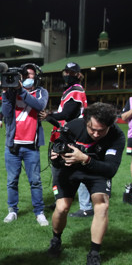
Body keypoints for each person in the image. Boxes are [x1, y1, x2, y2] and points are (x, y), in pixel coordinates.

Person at [46, 102, 125, 265]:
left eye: (101, 130)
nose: (96, 134)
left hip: (96, 170)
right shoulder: (73, 125)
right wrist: (55, 155)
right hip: (69, 169)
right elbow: (57, 154)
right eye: (92, 129)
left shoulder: (117, 136)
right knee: (62, 208)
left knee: (102, 206)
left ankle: (94, 254)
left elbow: (110, 170)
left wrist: (85, 159)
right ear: (86, 121)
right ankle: (56, 240)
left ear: (110, 126)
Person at [41, 62, 92, 218]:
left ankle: (86, 206)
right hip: (65, 134)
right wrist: (51, 119)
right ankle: (60, 200)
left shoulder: (76, 90)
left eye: (71, 72)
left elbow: (68, 114)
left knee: (77, 169)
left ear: (77, 74)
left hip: (74, 135)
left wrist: (49, 116)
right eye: (65, 72)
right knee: (59, 169)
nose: (67, 75)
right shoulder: (70, 90)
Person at [1, 63, 49, 226]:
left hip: (31, 146)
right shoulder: (12, 92)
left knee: (35, 181)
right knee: (12, 181)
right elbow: (6, 113)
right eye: (25, 74)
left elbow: (39, 106)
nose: (28, 77)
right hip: (13, 145)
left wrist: (21, 90)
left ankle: (39, 212)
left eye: (30, 74)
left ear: (36, 76)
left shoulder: (41, 92)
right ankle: (12, 210)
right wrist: (6, 95)